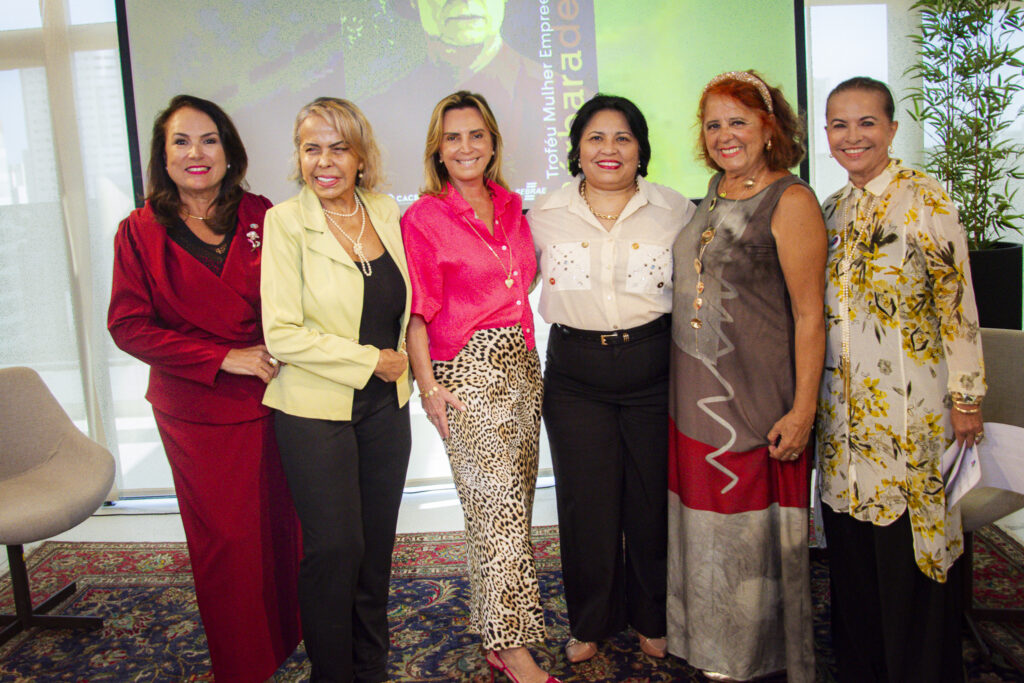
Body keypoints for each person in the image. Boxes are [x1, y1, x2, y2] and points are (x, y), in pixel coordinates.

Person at [107, 94, 301, 682]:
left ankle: (289, 642)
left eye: (209, 140)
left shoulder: (263, 214)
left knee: (283, 532)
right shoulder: (138, 231)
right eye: (181, 142)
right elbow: (127, 325)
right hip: (199, 412)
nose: (197, 153)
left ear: (229, 150)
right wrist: (222, 358)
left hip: (277, 399)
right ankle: (244, 666)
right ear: (162, 157)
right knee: (228, 546)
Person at [816, 76, 985, 683]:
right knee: (854, 559)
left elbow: (957, 305)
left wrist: (966, 399)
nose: (852, 136)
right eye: (839, 124)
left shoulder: (926, 201)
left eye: (866, 123)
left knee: (910, 557)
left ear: (891, 128)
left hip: (912, 415)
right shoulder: (831, 210)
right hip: (843, 418)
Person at [667, 71, 825, 682]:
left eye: (738, 121)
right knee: (704, 522)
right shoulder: (713, 190)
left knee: (750, 528)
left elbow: (812, 315)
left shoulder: (791, 200)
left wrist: (803, 408)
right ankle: (711, 647)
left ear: (768, 127)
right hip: (696, 394)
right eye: (713, 124)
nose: (724, 135)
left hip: (759, 398)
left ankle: (756, 658)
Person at [528, 93, 696, 664]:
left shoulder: (676, 210)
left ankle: (653, 615)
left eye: (622, 138)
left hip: (654, 368)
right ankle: (591, 620)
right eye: (596, 137)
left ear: (641, 150)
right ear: (577, 147)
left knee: (651, 501)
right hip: (576, 375)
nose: (609, 149)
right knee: (587, 503)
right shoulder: (542, 214)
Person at [401, 91, 558, 683]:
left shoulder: (514, 208)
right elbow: (417, 312)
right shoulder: (423, 217)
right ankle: (513, 648)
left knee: (507, 508)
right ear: (437, 151)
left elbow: (524, 290)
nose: (465, 147)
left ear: (492, 143)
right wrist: (429, 387)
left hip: (522, 366)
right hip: (467, 372)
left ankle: (493, 627)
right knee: (497, 512)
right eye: (452, 138)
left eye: (476, 135)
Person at [260, 97, 413, 683]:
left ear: (360, 156)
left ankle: (369, 664)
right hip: (312, 408)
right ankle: (333, 673)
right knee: (335, 551)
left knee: (375, 551)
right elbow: (282, 334)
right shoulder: (283, 222)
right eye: (311, 148)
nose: (324, 161)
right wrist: (369, 360)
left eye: (338, 147)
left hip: (385, 409)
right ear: (298, 158)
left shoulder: (385, 210)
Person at [361, 0, 551, 200]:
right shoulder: (376, 112)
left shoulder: (557, 91)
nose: (464, 1)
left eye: (477, 136)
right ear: (413, 3)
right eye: (451, 138)